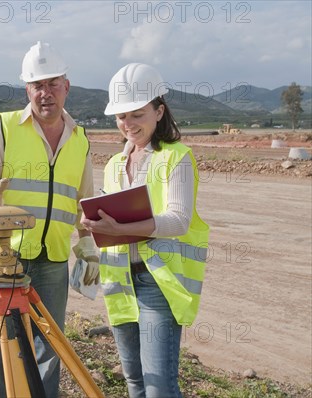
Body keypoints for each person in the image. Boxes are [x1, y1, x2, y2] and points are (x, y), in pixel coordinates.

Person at [0, 41, 98, 398]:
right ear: (27, 90)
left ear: (66, 87)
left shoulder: (80, 139)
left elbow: (83, 202)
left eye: (53, 83)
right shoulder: (6, 127)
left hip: (53, 261)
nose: (46, 93)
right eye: (38, 85)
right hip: (2, 260)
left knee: (50, 350)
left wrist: (86, 243)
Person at [80, 63, 209, 397]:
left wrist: (119, 226)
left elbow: (179, 221)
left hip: (157, 285)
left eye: (137, 114)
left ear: (158, 111)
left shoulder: (176, 158)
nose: (128, 124)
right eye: (122, 116)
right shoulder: (113, 166)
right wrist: (96, 225)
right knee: (135, 382)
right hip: (120, 281)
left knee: (159, 388)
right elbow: (112, 223)